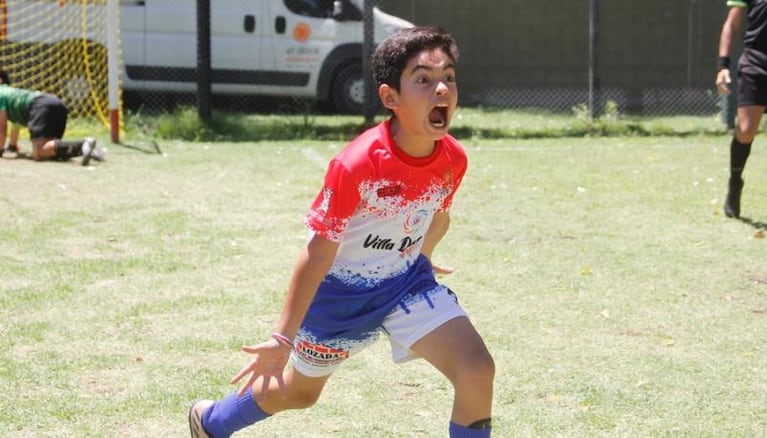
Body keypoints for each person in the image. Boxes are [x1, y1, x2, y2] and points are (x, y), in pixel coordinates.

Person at [188, 26, 495, 437]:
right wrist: (283, 337)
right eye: (423, 79)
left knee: (476, 369)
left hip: (406, 284)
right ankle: (211, 422)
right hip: (341, 299)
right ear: (390, 98)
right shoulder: (358, 164)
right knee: (299, 393)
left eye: (449, 77)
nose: (441, 89)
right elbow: (317, 252)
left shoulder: (452, 158)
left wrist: (422, 255)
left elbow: (437, 215)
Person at [715, 0, 767, 218]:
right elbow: (731, 24)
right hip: (756, 64)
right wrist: (722, 66)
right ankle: (735, 180)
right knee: (745, 130)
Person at [0, 69, 103, 165]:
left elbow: (2, 128)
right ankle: (87, 150)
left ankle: (82, 145)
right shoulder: (11, 93)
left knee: (39, 152)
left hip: (40, 106)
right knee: (49, 150)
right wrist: (12, 145)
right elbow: (16, 124)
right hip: (55, 103)